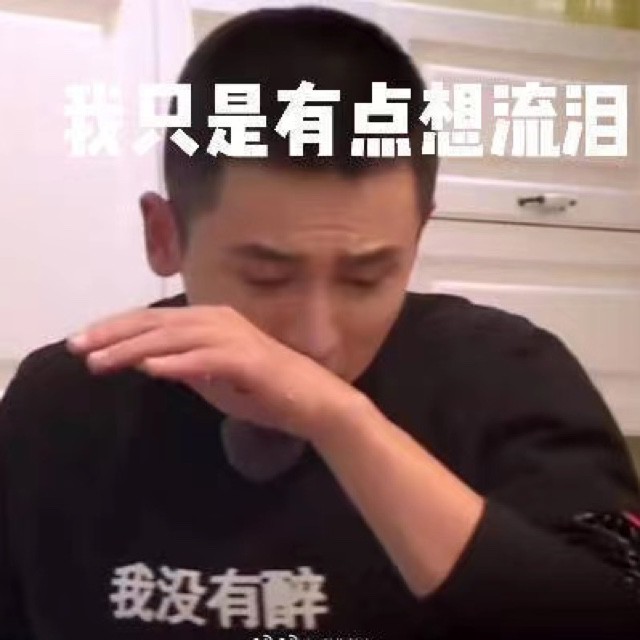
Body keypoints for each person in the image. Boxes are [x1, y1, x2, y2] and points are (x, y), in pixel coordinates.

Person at [1, 7, 639, 639]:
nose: (315, 340)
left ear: (418, 236)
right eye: (267, 278)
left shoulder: (506, 375)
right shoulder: (64, 405)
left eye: (366, 279)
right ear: (164, 236)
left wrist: (342, 423)